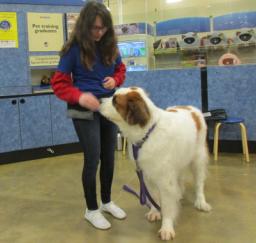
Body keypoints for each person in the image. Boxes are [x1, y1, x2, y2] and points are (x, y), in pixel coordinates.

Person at [51, 1, 126, 230]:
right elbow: (59, 83)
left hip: (108, 107)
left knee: (109, 158)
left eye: (103, 28)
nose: (99, 32)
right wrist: (80, 96)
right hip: (83, 109)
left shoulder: (110, 45)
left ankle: (106, 202)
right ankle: (91, 210)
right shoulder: (73, 49)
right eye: (94, 28)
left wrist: (116, 80)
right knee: (92, 158)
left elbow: (120, 69)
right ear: (84, 26)